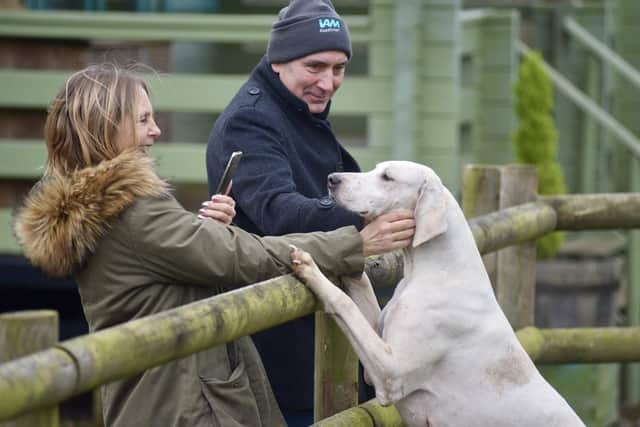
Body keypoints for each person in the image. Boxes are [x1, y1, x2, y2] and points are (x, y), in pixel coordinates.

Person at [13, 64, 413, 427]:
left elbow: (164, 262)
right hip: (185, 405)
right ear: (106, 127)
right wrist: (353, 243)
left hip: (155, 398)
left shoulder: (106, 210)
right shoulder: (131, 212)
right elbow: (238, 256)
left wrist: (202, 230)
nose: (156, 131)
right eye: (143, 120)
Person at [205, 0, 416, 418]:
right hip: (277, 339)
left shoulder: (298, 108)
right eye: (315, 66)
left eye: (339, 68)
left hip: (319, 328)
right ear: (279, 60)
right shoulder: (250, 120)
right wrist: (363, 221)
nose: (328, 81)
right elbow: (280, 214)